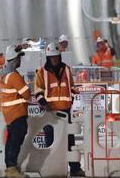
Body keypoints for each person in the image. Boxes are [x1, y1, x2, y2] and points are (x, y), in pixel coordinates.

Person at [35, 43, 85, 177]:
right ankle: (50, 168)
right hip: (50, 112)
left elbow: (72, 88)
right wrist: (42, 101)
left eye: (56, 57)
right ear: (48, 58)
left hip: (66, 111)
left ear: (59, 56)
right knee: (50, 142)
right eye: (52, 57)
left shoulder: (66, 70)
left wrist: (73, 97)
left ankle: (75, 168)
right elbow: (38, 90)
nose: (55, 60)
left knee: (69, 140)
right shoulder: (41, 72)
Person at [0, 45, 31, 178]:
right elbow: (27, 94)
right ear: (14, 60)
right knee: (15, 140)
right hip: (17, 113)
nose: (20, 61)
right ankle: (11, 168)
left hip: (10, 114)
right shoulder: (13, 76)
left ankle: (11, 168)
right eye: (19, 58)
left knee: (12, 140)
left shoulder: (5, 74)